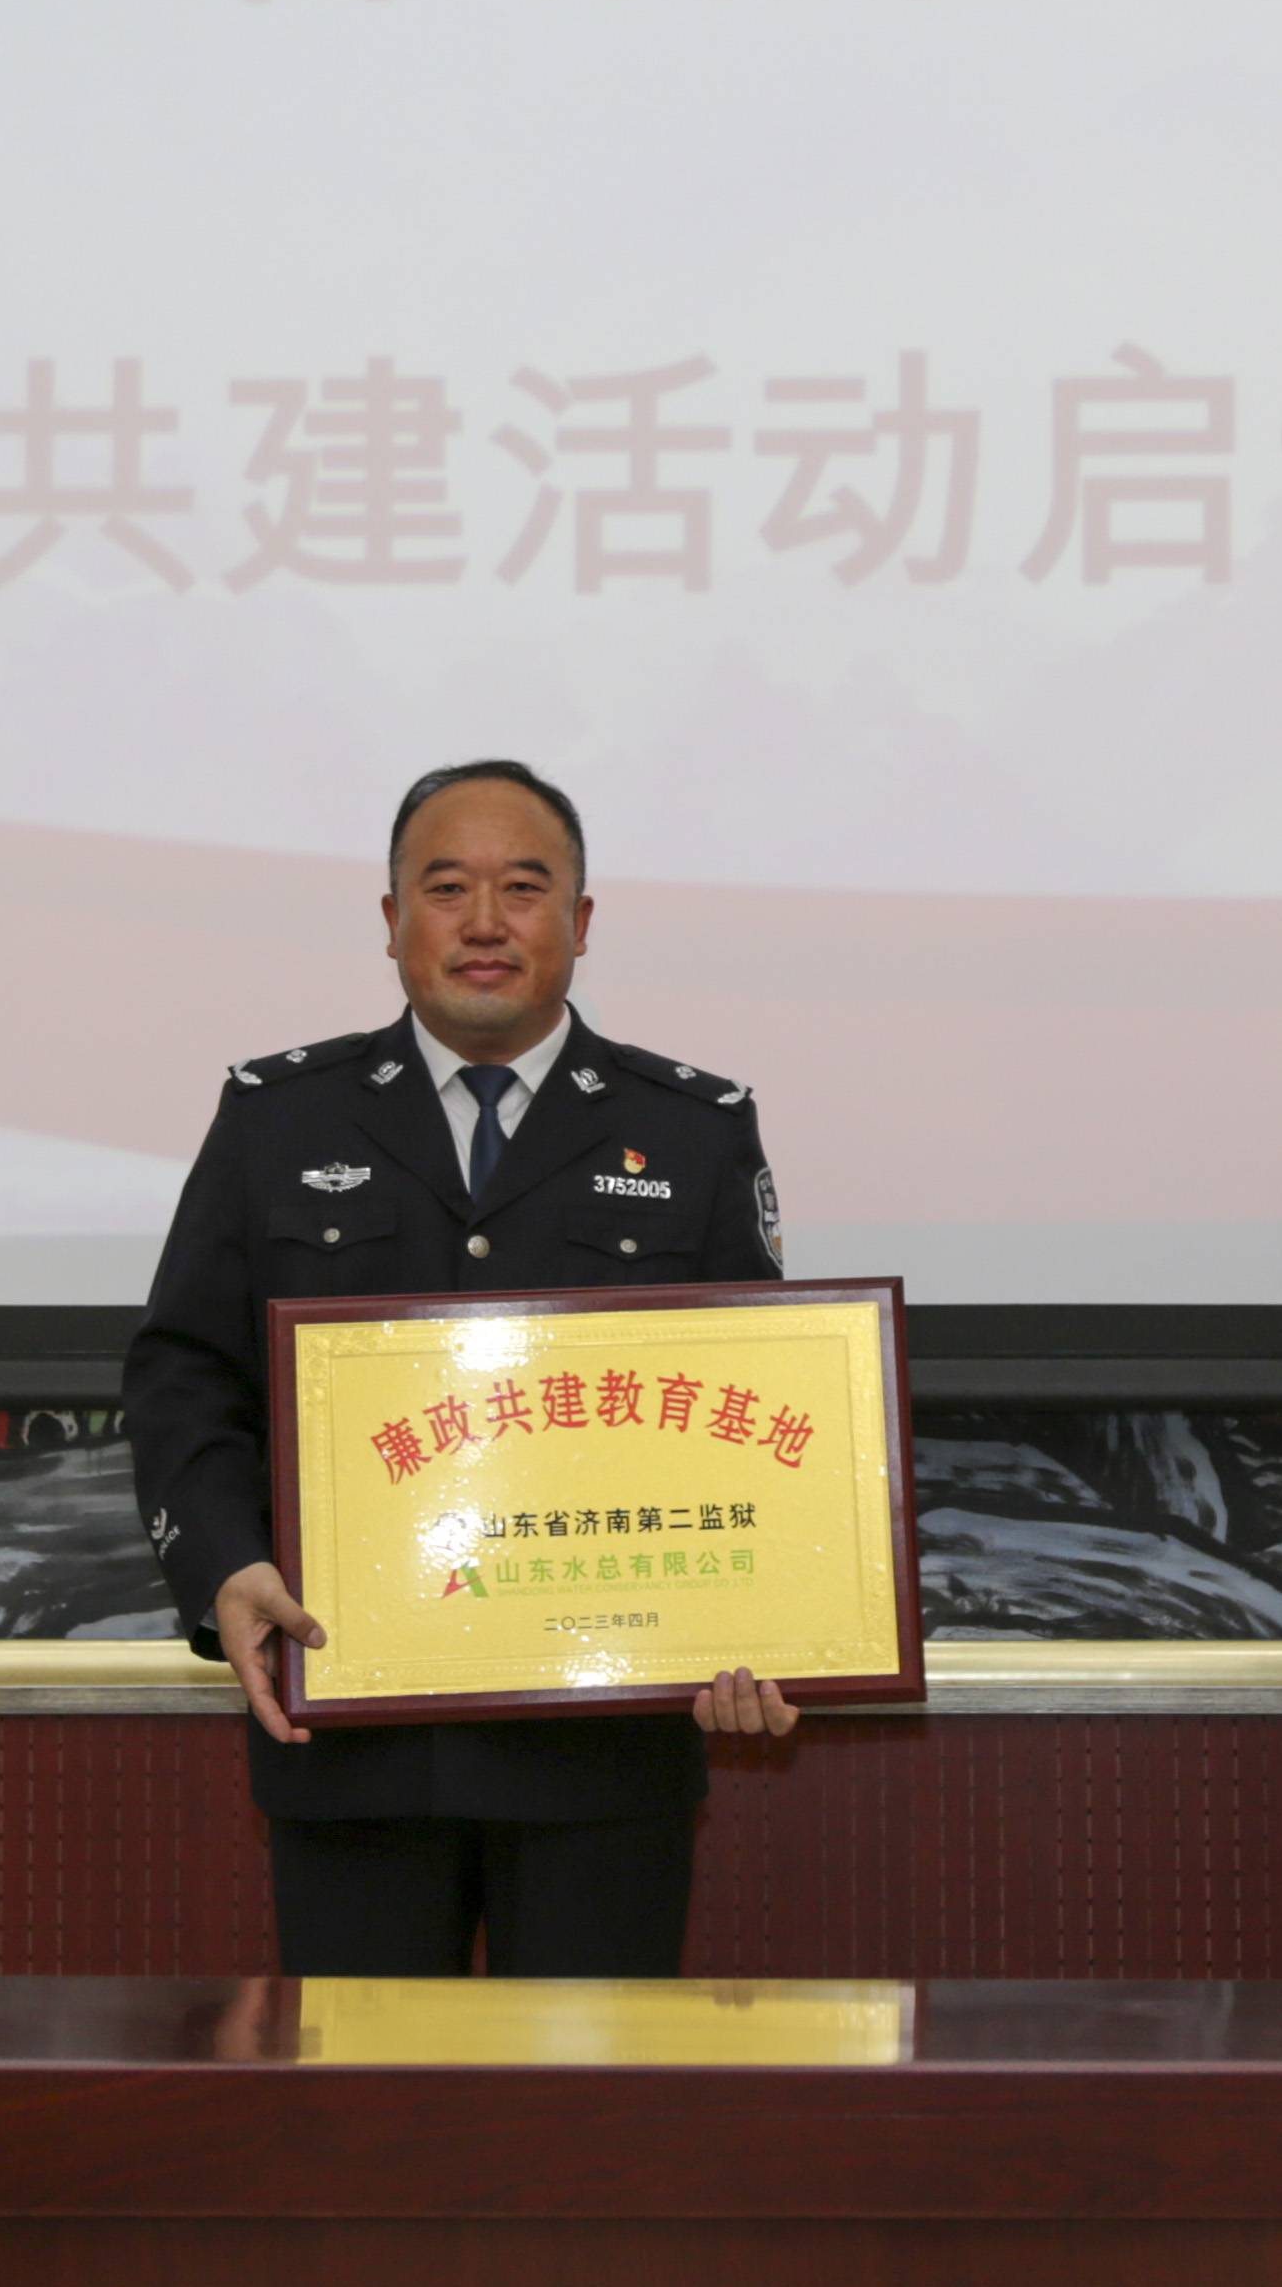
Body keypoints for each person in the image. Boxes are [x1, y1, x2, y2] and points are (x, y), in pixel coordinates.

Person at [122, 758, 796, 1978]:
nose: (485, 922)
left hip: (605, 1750)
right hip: (355, 1740)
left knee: (593, 2092)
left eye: (523, 889)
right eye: (446, 889)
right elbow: (185, 1373)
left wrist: (767, 1625)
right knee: (362, 2091)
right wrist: (224, 1564)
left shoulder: (691, 1132)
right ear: (392, 920)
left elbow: (758, 1407)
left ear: (580, 922)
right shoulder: (279, 1118)